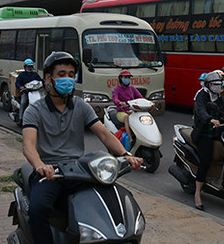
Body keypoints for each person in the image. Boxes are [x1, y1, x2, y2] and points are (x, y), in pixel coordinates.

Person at [22, 51, 142, 244]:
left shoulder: (80, 106)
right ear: (48, 78)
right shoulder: (34, 110)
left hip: (79, 171)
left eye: (71, 75)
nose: (67, 79)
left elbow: (104, 134)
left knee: (113, 199)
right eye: (61, 74)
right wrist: (40, 165)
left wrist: (126, 154)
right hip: (50, 173)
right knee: (38, 210)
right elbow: (28, 145)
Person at [192, 70, 224, 210]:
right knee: (205, 160)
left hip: (217, 131)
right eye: (214, 84)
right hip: (204, 132)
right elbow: (200, 111)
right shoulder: (201, 96)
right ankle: (197, 193)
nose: (217, 86)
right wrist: (210, 119)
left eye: (219, 84)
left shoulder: (218, 97)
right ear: (208, 84)